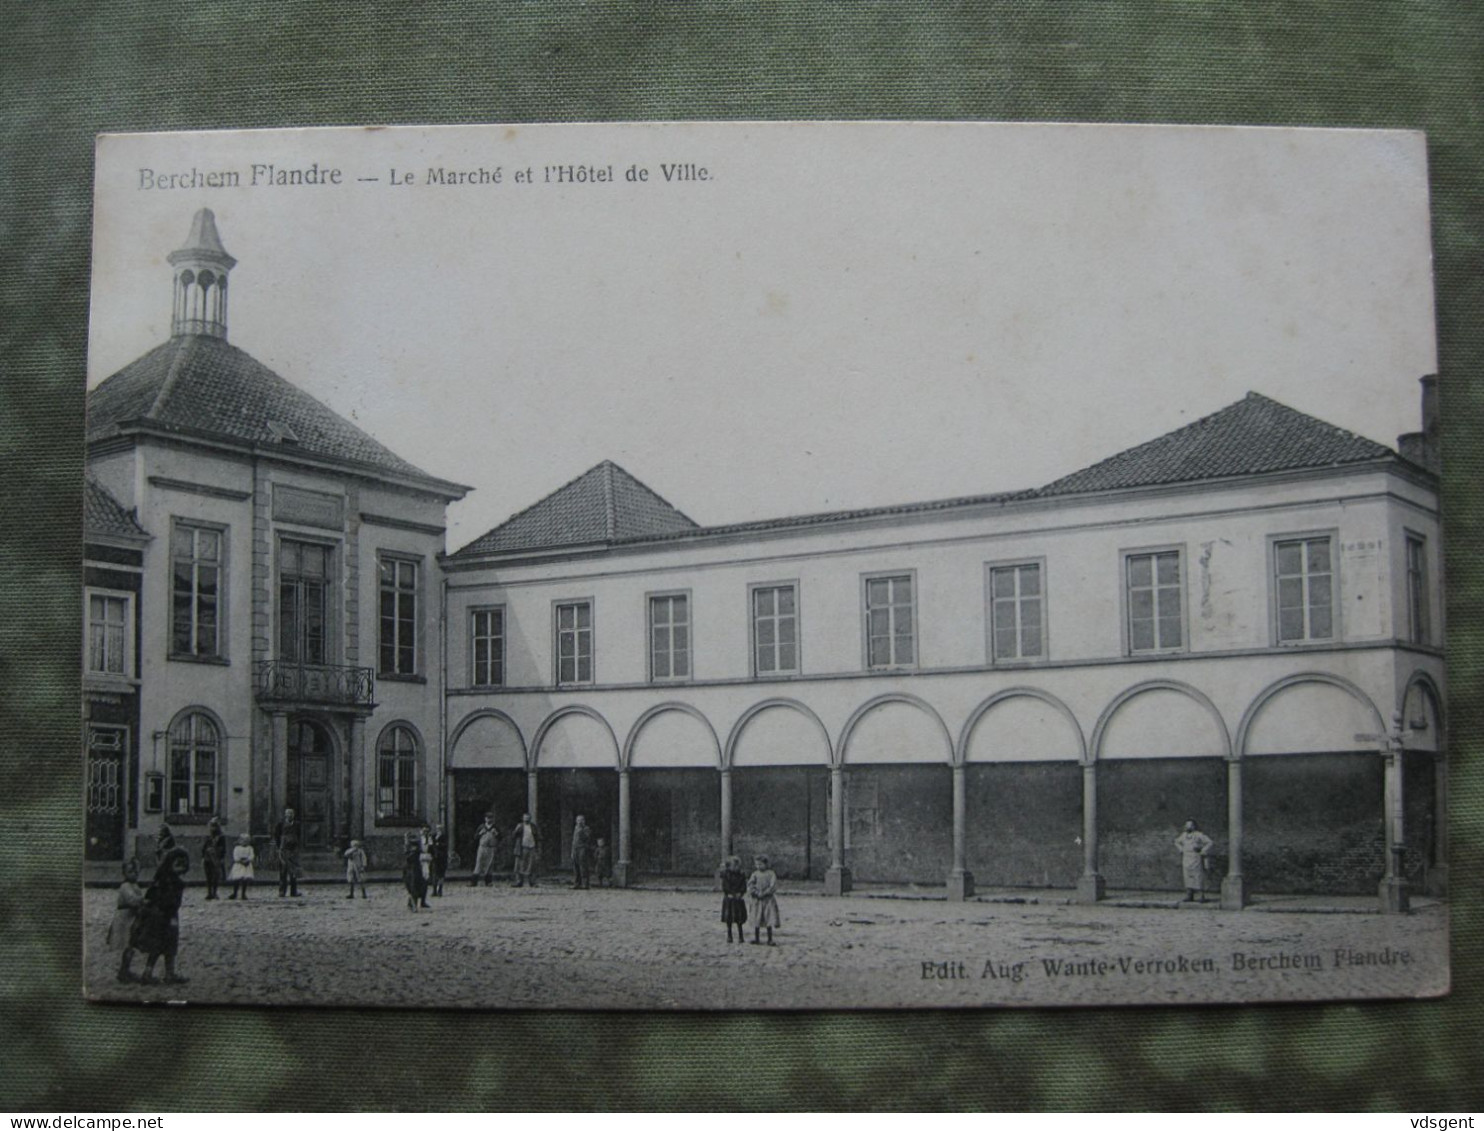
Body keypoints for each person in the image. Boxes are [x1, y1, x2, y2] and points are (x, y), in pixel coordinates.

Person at [133, 846, 190, 984]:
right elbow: (168, 901)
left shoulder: (162, 878)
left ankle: (164, 973)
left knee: (165, 945)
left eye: (183, 864)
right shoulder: (171, 882)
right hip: (165, 916)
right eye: (178, 863)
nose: (181, 867)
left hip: (162, 915)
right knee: (162, 945)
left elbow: (150, 895)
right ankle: (155, 973)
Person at [108, 859, 145, 982]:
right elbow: (131, 900)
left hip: (131, 918)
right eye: (130, 871)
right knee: (128, 945)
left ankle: (125, 970)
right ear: (124, 873)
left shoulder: (134, 885)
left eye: (135, 871)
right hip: (124, 919)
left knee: (130, 946)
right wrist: (142, 900)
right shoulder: (125, 886)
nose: (133, 874)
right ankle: (123, 972)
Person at [1174, 819, 1215, 903]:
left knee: (1198, 876)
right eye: (1187, 825)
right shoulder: (1184, 835)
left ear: (1194, 826)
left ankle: (1201, 896)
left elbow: (1210, 842)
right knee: (1187, 876)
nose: (1188, 827)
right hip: (1186, 858)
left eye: (1190, 825)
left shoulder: (1198, 835)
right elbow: (1176, 842)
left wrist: (1202, 850)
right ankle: (1189, 895)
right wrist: (1181, 849)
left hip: (1196, 858)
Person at [747, 854, 780, 946]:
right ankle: (756, 938)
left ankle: (770, 939)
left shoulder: (771, 874)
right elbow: (750, 885)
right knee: (757, 918)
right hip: (757, 900)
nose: (758, 866)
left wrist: (765, 893)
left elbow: (773, 886)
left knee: (768, 918)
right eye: (757, 864)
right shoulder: (755, 874)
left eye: (760, 864)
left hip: (768, 900)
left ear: (766, 864)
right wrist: (756, 893)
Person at [719, 855, 748, 943]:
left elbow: (744, 886)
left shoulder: (741, 875)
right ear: (729, 866)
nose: (737, 868)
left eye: (738, 866)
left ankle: (741, 936)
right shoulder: (726, 875)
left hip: (738, 900)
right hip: (730, 899)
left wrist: (741, 893)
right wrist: (730, 893)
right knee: (729, 918)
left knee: (739, 919)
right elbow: (725, 886)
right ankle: (729, 935)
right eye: (734, 866)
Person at [274, 807, 302, 897]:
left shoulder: (297, 825)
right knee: (283, 871)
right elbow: (276, 836)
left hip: (293, 851)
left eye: (291, 813)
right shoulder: (280, 824)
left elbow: (299, 835)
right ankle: (282, 891)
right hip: (284, 850)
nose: (290, 815)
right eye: (288, 813)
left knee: (294, 872)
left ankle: (294, 891)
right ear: (285, 815)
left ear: (294, 815)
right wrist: (280, 848)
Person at [470, 813, 500, 887]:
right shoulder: (481, 827)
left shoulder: (495, 827)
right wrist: (480, 833)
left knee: (489, 865)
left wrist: (496, 834)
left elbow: (500, 837)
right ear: (485, 819)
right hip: (482, 847)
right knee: (479, 863)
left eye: (491, 818)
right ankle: (474, 882)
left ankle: (488, 882)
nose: (489, 819)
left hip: (491, 848)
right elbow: (475, 837)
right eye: (488, 818)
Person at [201, 817, 227, 901]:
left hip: (216, 858)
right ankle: (209, 892)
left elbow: (223, 848)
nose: (213, 828)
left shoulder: (221, 837)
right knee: (208, 876)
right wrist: (203, 856)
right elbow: (203, 847)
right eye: (211, 826)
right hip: (208, 858)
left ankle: (214, 892)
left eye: (215, 826)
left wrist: (221, 857)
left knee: (215, 876)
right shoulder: (208, 837)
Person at [511, 813, 539, 887]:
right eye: (525, 818)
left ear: (530, 819)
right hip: (522, 848)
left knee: (531, 865)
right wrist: (516, 830)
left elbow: (537, 836)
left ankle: (532, 882)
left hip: (531, 847)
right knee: (519, 865)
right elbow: (513, 836)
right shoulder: (520, 826)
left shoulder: (533, 827)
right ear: (522, 819)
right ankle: (519, 881)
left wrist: (537, 847)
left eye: (528, 818)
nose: (526, 819)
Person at [403, 831, 428, 911]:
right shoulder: (408, 848)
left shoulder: (416, 848)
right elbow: (407, 857)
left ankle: (416, 903)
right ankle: (413, 905)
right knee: (413, 887)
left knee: (418, 886)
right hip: (410, 869)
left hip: (416, 869)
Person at [227, 833, 255, 899]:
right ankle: (235, 893)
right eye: (243, 840)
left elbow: (252, 856)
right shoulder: (237, 848)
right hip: (239, 865)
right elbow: (235, 857)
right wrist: (240, 861)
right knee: (236, 879)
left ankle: (243, 894)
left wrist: (248, 860)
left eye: (246, 841)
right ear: (239, 841)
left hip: (246, 866)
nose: (244, 842)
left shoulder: (250, 848)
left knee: (245, 880)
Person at [570, 815, 592, 889]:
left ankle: (585, 884)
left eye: (581, 820)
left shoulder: (586, 829)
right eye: (578, 820)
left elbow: (586, 838)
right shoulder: (576, 828)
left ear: (584, 821)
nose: (579, 822)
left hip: (582, 848)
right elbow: (574, 841)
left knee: (583, 866)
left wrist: (581, 831)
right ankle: (577, 883)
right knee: (575, 867)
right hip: (575, 849)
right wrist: (572, 852)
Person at [431, 825, 449, 896]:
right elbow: (431, 846)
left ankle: (440, 890)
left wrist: (439, 844)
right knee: (434, 874)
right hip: (435, 858)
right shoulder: (433, 836)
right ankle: (434, 890)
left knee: (441, 874)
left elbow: (445, 845)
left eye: (440, 829)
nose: (439, 830)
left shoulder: (444, 837)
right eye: (437, 828)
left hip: (442, 857)